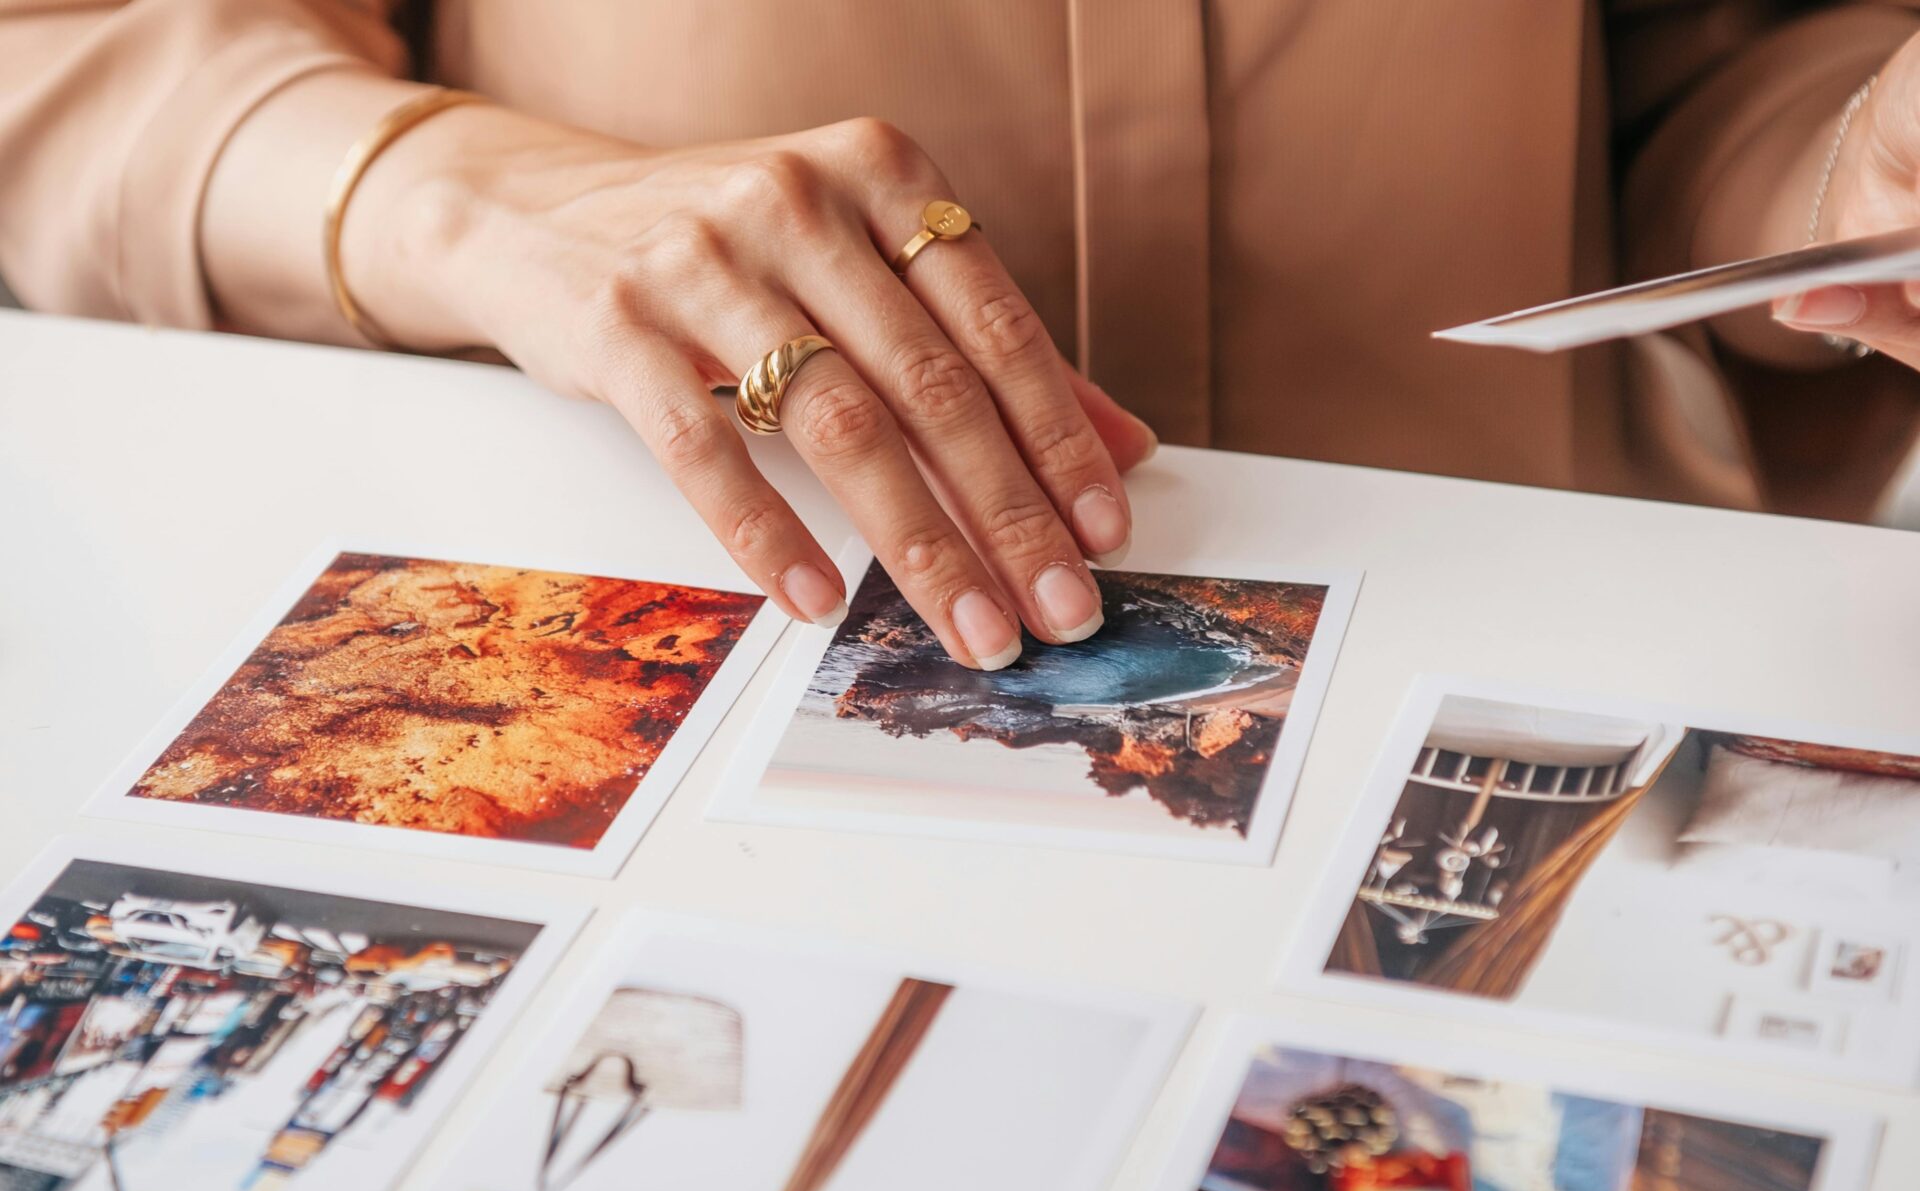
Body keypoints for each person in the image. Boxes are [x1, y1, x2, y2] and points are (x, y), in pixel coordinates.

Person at [3, 1, 1917, 671]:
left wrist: (1851, 175)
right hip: (684, 637)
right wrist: (446, 189)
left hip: (1524, 617)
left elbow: (1716, 55)